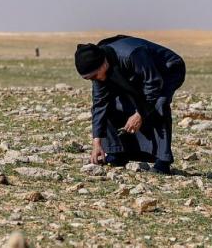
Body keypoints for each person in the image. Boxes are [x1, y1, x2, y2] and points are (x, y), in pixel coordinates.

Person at [74, 35, 185, 174]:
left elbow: (153, 84)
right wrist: (97, 143)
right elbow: (99, 104)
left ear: (103, 64)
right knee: (111, 104)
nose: (94, 80)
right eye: (88, 78)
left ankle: (163, 160)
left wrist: (139, 114)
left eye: (94, 76)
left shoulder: (132, 54)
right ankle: (117, 152)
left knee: (159, 104)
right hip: (138, 74)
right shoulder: (99, 70)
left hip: (168, 69)